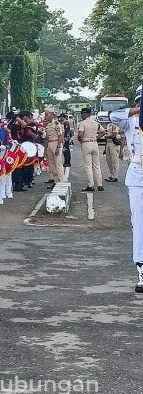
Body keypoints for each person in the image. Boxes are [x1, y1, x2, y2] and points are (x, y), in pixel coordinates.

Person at [109, 85, 143, 291]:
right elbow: (113, 116)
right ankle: (141, 268)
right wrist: (138, 110)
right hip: (138, 173)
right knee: (139, 223)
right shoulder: (130, 120)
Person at [78, 107, 105, 192]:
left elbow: (80, 134)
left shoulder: (82, 123)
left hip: (86, 143)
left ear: (84, 114)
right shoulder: (96, 123)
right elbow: (103, 132)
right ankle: (100, 185)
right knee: (97, 166)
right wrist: (96, 137)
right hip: (94, 143)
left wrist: (80, 139)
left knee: (88, 166)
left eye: (82, 114)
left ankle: (91, 185)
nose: (81, 115)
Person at [43, 107, 65, 188]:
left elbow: (60, 136)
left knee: (58, 163)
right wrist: (45, 148)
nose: (45, 116)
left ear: (52, 115)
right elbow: (47, 138)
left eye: (47, 114)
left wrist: (58, 147)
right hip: (50, 144)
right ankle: (56, 181)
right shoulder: (48, 125)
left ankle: (62, 181)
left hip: (56, 143)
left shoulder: (56, 124)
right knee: (51, 164)